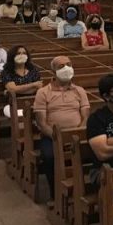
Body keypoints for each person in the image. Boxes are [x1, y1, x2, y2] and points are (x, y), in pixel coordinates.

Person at [33, 56, 90, 199]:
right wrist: (58, 138)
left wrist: (77, 135)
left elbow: (85, 117)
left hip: (77, 135)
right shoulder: (43, 92)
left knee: (93, 153)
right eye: (61, 66)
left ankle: (84, 191)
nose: (66, 68)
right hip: (52, 136)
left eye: (69, 65)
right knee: (50, 157)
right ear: (53, 71)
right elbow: (41, 123)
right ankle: (56, 194)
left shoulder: (79, 90)